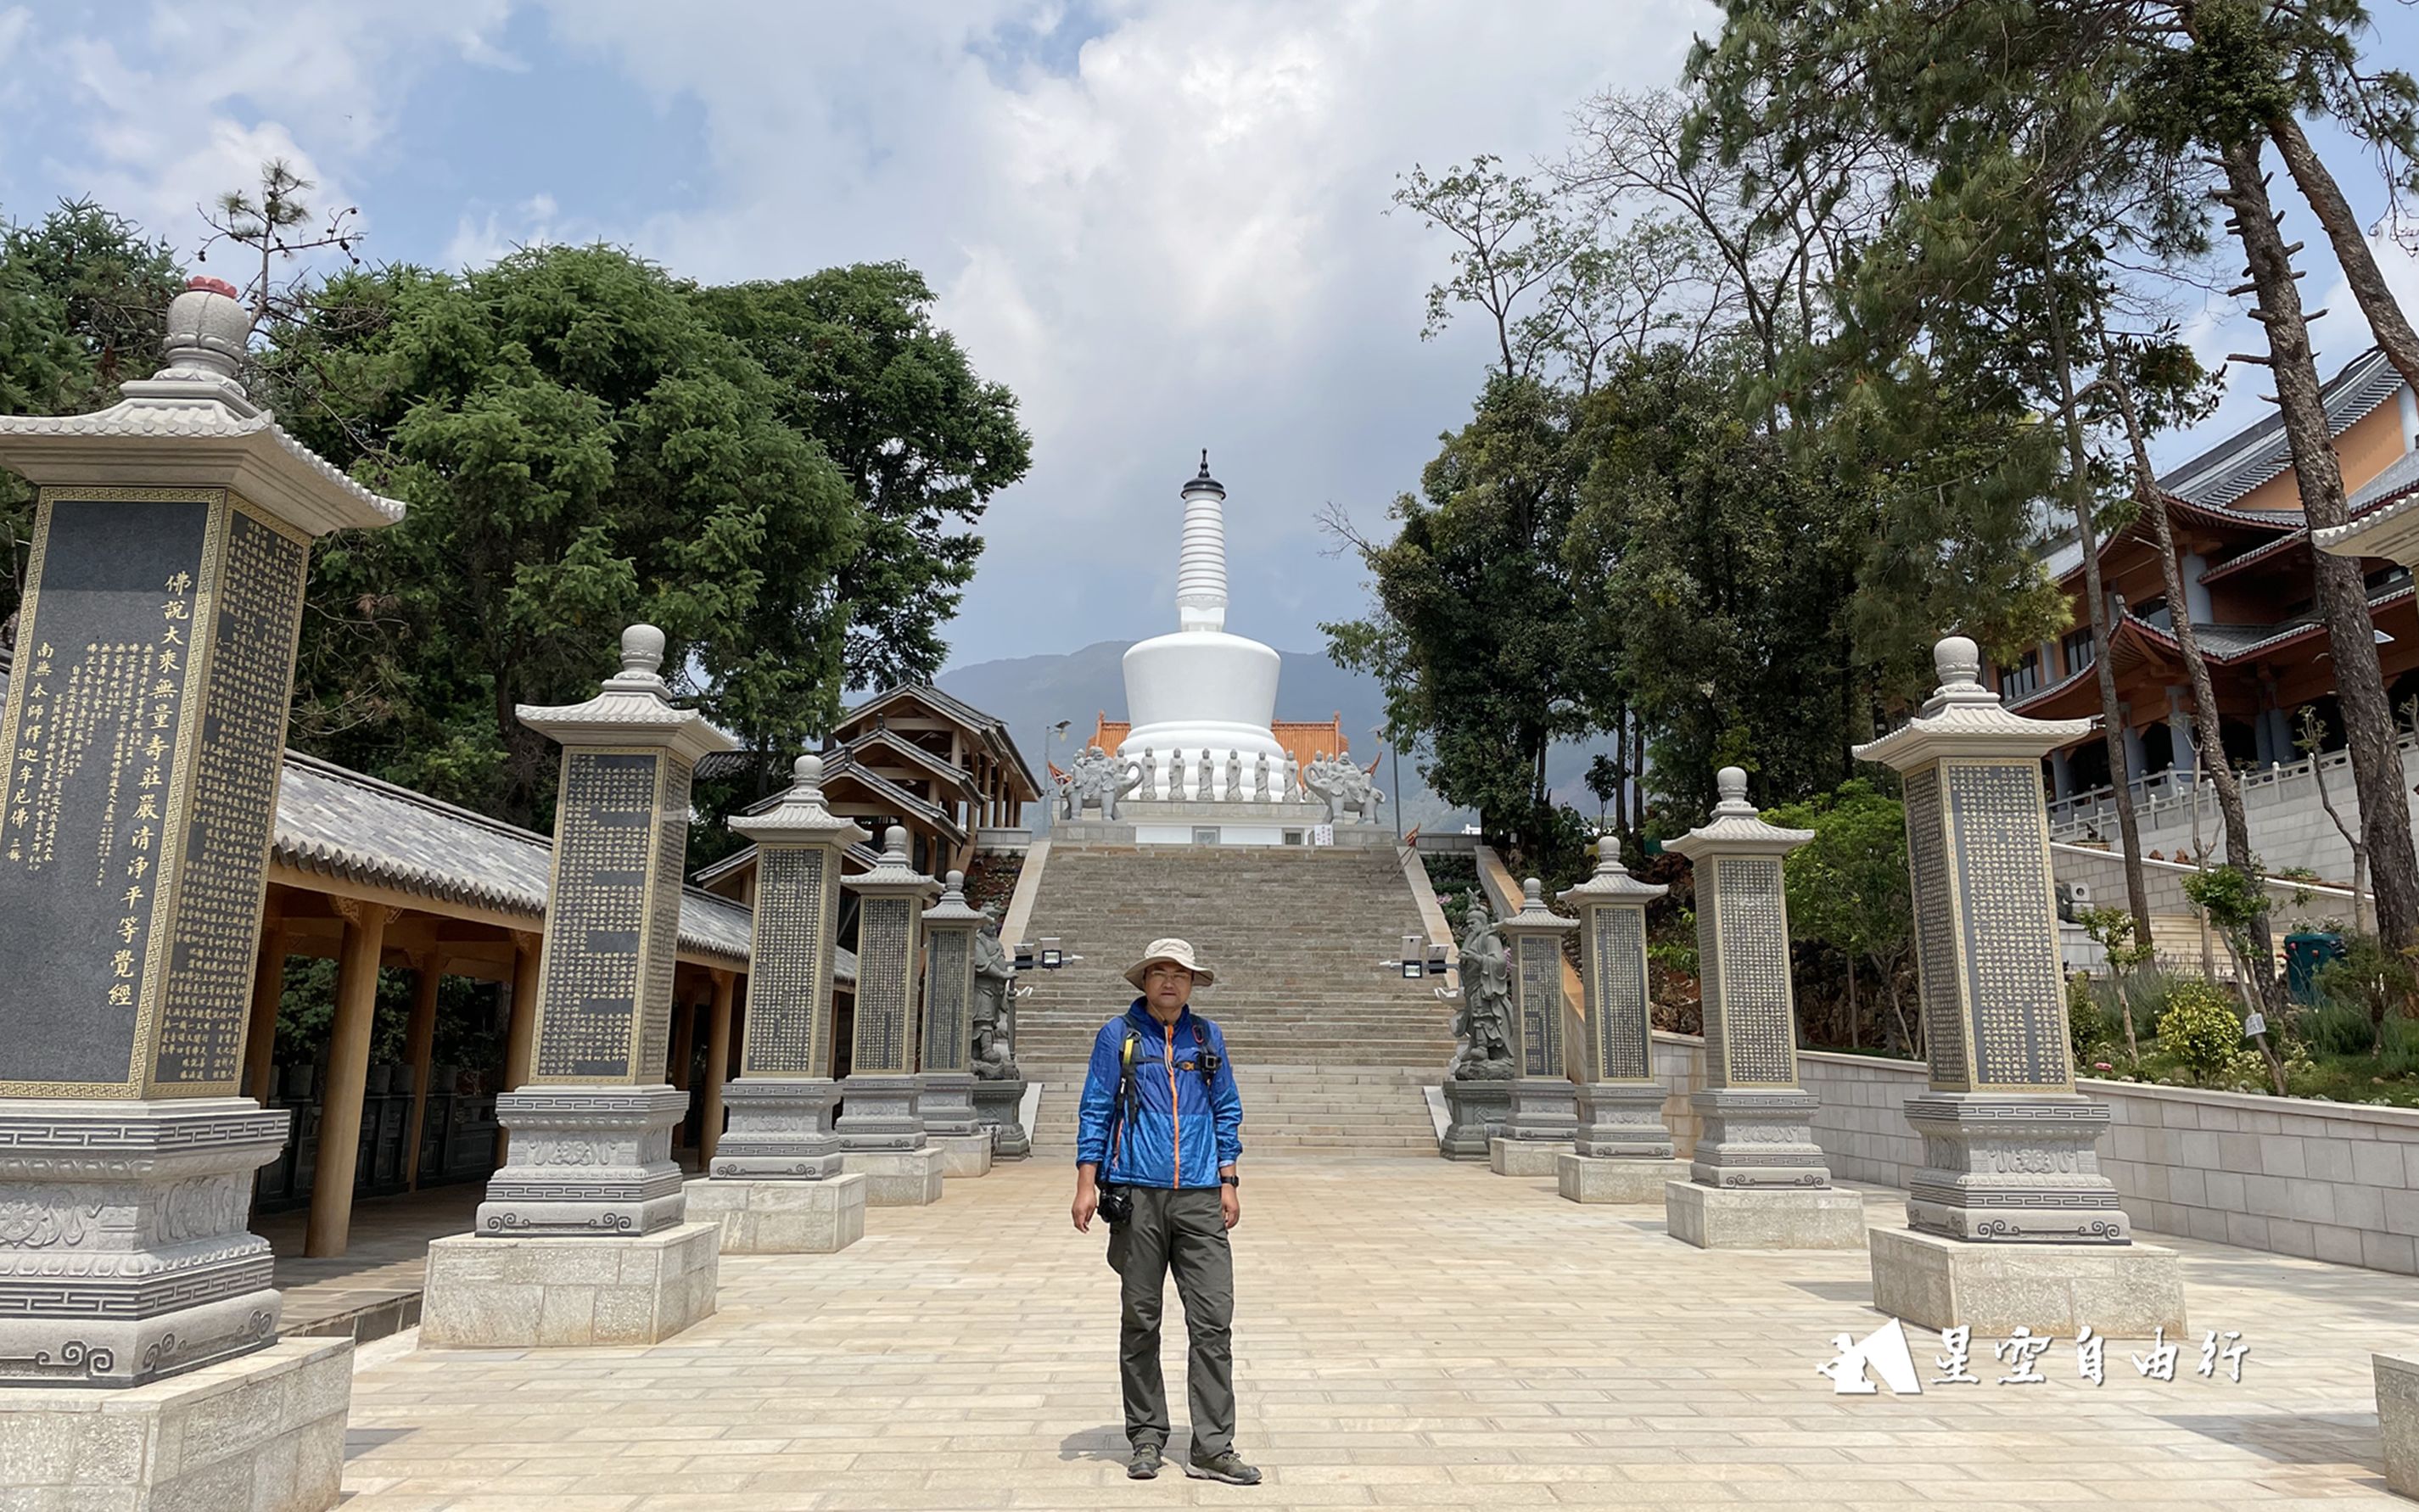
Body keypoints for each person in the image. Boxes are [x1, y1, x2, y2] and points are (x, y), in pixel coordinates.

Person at [1071, 937, 1257, 1486]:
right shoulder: (1118, 1036)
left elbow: (1226, 1108)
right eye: (1158, 972)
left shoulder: (1206, 1036)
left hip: (1200, 1195)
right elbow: (1096, 1106)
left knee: (1212, 1322)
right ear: (1144, 982)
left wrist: (1228, 1180)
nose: (1169, 982)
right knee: (1140, 1320)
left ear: (1193, 983)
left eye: (1179, 973)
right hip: (1136, 1195)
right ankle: (1147, 1437)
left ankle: (1212, 1446)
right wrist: (1086, 1182)